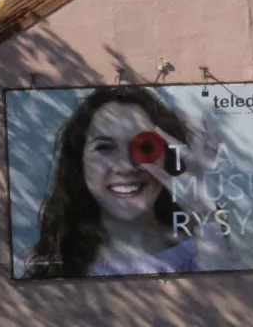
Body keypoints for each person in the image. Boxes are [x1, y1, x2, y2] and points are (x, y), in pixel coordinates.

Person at [26, 86, 218, 278]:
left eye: (145, 146)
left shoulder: (201, 254)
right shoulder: (55, 262)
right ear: (80, 161)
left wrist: (205, 209)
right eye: (105, 148)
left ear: (167, 158)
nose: (126, 166)